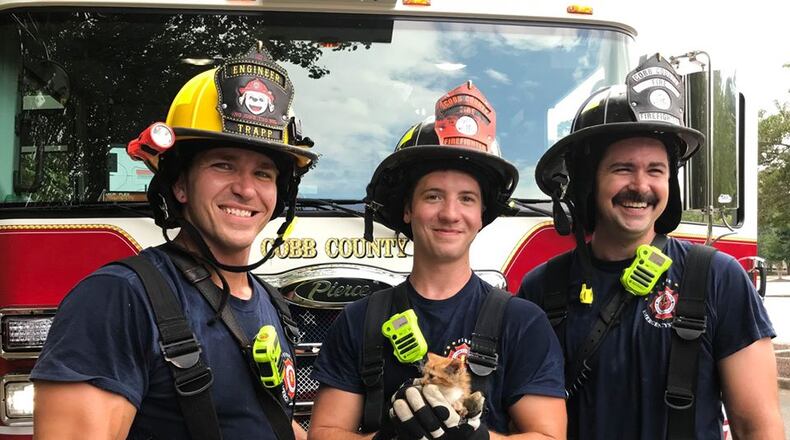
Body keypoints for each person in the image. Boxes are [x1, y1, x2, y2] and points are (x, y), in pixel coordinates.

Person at [31, 46, 318, 440]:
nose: (246, 189)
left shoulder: (270, 303)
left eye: (264, 173)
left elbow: (260, 424)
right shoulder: (117, 299)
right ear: (180, 184)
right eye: (224, 165)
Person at [518, 53, 784, 439]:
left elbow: (758, 427)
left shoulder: (716, 279)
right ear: (588, 182)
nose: (641, 186)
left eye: (655, 170)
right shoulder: (541, 289)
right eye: (623, 168)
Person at [308, 81, 566, 440]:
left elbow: (549, 435)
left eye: (467, 199)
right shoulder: (359, 321)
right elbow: (324, 433)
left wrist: (477, 438)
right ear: (408, 209)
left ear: (481, 215)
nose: (450, 213)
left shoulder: (522, 322)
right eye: (433, 196)